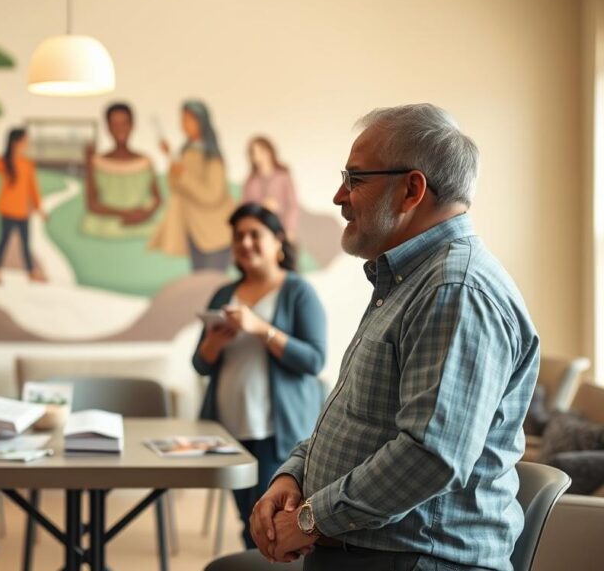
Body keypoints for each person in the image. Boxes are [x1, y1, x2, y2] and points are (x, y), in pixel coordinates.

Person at [250, 104, 539, 571]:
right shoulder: (409, 281)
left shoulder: (455, 290)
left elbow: (431, 457)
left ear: (412, 189)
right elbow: (355, 417)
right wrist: (294, 475)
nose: (338, 196)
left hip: (415, 560)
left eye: (356, 179)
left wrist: (308, 520)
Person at [193, 203, 326, 550]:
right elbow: (200, 364)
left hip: (275, 431)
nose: (246, 242)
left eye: (255, 234)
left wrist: (260, 329)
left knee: (269, 523)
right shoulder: (224, 294)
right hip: (227, 429)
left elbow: (314, 359)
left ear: (278, 241)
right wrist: (212, 344)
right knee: (245, 521)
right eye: (238, 236)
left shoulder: (298, 292)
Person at [150, 99, 235, 271]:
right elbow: (177, 186)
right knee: (198, 285)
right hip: (195, 231)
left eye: (189, 119)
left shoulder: (212, 157)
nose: (184, 124)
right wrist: (171, 157)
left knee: (212, 284)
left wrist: (182, 174)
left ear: (201, 122)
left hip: (215, 233)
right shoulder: (187, 151)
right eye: (182, 120)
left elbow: (211, 195)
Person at [82, 102, 162, 238]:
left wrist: (144, 215)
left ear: (132, 125)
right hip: (106, 227)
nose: (120, 129)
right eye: (115, 124)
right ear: (108, 128)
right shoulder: (98, 162)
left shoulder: (144, 161)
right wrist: (125, 214)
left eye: (124, 123)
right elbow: (92, 204)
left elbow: (157, 199)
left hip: (143, 224)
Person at [0, 127, 45, 284]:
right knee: (3, 241)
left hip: (23, 212)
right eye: (25, 140)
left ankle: (31, 272)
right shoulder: (5, 162)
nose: (27, 144)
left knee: (25, 243)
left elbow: (33, 188)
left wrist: (39, 208)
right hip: (7, 211)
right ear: (16, 142)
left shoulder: (27, 164)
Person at [242, 136, 300, 240]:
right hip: (258, 233)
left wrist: (290, 229)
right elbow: (245, 209)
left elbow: (293, 205)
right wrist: (260, 207)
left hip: (281, 230)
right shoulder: (250, 181)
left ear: (269, 151)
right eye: (254, 153)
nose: (258, 156)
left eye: (261, 151)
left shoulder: (283, 177)